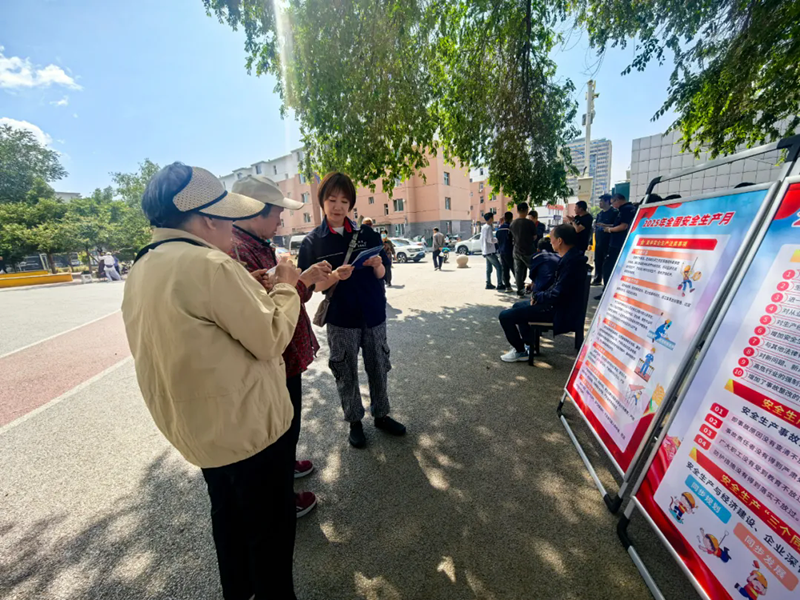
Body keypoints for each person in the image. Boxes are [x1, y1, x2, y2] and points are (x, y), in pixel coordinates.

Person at [121, 163, 302, 599]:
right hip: (250, 432)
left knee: (229, 521)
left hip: (203, 432)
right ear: (206, 219)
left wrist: (248, 287)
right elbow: (270, 338)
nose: (232, 228)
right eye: (226, 217)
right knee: (271, 535)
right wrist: (286, 286)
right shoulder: (210, 264)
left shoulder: (143, 266)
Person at [229, 174, 333, 519]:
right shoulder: (236, 250)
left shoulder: (255, 243)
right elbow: (267, 308)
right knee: (279, 429)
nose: (280, 219)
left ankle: (285, 468)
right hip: (274, 356)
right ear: (255, 210)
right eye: (276, 212)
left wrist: (305, 278)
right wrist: (304, 280)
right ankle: (282, 501)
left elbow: (282, 294)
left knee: (288, 423)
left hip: (286, 353)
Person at [298, 172, 406, 448]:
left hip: (374, 313)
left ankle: (382, 414)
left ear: (351, 204)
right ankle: (354, 421)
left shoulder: (367, 234)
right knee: (345, 370)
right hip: (341, 318)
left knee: (379, 365)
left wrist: (377, 265)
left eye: (344, 201)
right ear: (322, 201)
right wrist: (335, 276)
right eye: (332, 199)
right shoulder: (312, 242)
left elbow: (384, 274)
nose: (338, 206)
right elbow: (312, 287)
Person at [498, 224, 588, 362]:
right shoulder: (572, 258)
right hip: (561, 306)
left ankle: (520, 351)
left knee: (505, 316)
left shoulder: (571, 263)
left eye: (551, 238)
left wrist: (538, 297)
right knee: (517, 306)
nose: (550, 241)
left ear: (559, 241)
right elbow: (558, 288)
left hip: (559, 311)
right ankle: (529, 345)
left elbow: (558, 293)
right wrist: (539, 296)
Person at [595, 193, 636, 300]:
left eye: (613, 203)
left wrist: (609, 230)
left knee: (608, 268)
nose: (613, 205)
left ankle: (607, 293)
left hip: (618, 244)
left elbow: (624, 226)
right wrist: (606, 226)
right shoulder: (626, 209)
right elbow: (618, 224)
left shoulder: (626, 209)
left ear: (617, 200)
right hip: (617, 244)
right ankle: (608, 291)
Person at [510, 202, 538, 297]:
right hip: (528, 250)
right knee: (535, 270)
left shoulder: (513, 223)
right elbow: (534, 237)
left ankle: (520, 292)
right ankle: (536, 290)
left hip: (516, 250)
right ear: (527, 210)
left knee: (518, 272)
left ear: (517, 211)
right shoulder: (530, 223)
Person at [592, 194, 617, 285]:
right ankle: (597, 278)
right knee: (598, 261)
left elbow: (617, 226)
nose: (600, 203)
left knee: (607, 263)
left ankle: (607, 282)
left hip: (608, 242)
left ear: (608, 201)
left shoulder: (614, 213)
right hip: (599, 241)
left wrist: (605, 226)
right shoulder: (600, 214)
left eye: (601, 201)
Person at [480, 212, 502, 289]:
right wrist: (497, 240)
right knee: (499, 267)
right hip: (490, 251)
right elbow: (490, 240)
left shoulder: (483, 227)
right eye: (492, 218)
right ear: (490, 219)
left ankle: (488, 283)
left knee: (488, 269)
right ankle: (500, 284)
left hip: (485, 251)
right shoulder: (489, 227)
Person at [495, 211, 514, 291]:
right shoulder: (511, 228)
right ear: (511, 218)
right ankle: (520, 287)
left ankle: (507, 286)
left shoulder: (499, 229)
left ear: (504, 218)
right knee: (515, 269)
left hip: (501, 251)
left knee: (505, 269)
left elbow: (497, 240)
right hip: (510, 251)